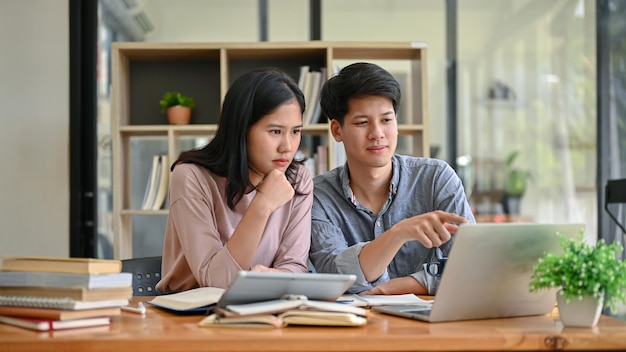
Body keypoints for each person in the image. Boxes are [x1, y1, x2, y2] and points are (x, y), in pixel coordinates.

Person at [309, 62, 475, 296]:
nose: (377, 133)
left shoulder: (437, 178)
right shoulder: (318, 196)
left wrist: (388, 289)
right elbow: (335, 275)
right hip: (355, 329)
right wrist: (398, 234)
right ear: (337, 130)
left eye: (386, 120)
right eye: (362, 122)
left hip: (433, 325)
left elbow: (470, 265)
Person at [157, 67, 313, 293]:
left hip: (261, 306)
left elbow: (295, 268)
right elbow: (217, 283)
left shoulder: (297, 180)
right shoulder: (191, 176)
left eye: (296, 132)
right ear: (241, 129)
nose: (287, 147)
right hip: (189, 315)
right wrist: (262, 204)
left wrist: (270, 278)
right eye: (276, 132)